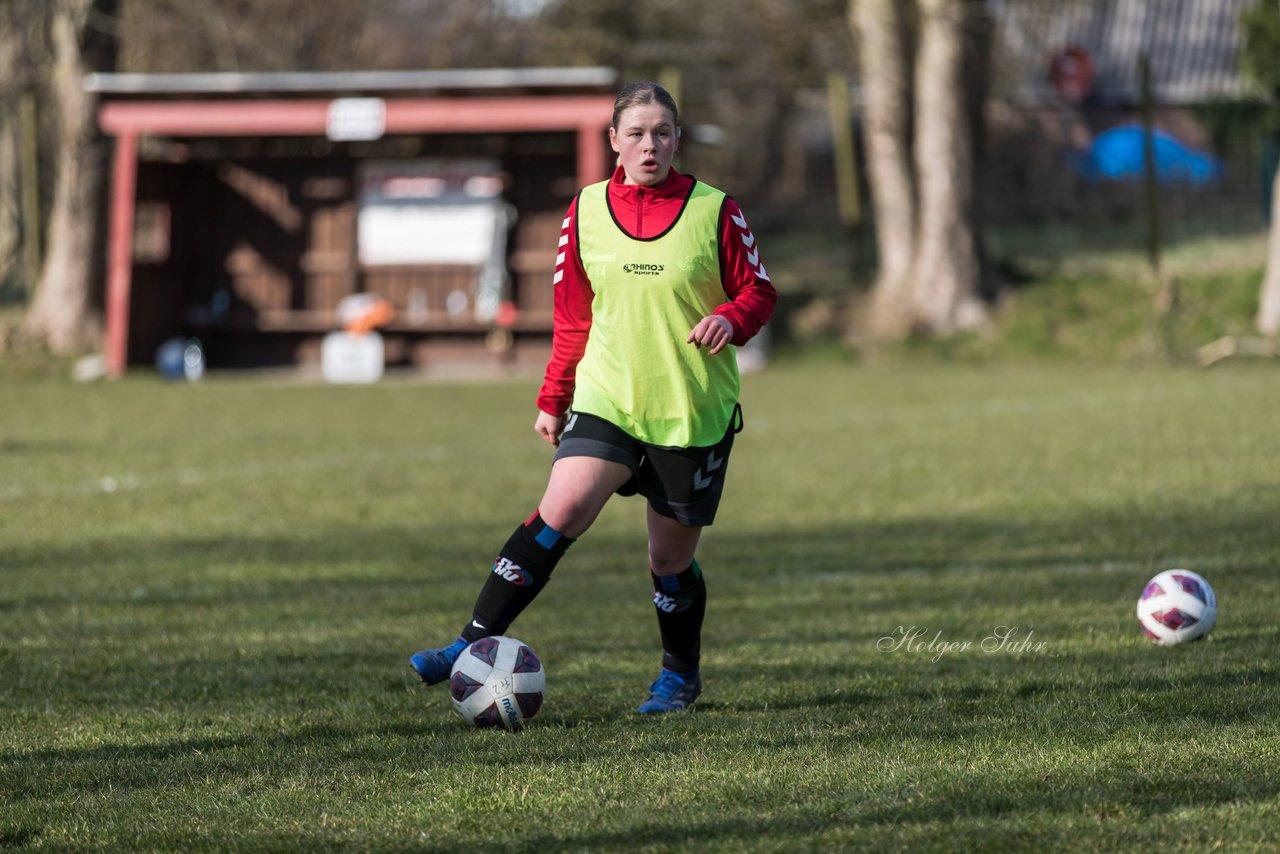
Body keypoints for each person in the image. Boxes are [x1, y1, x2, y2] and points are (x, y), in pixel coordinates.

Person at [409, 81, 777, 713]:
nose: (649, 145)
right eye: (635, 133)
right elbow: (573, 318)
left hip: (688, 410)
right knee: (563, 508)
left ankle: (679, 676)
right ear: (614, 140)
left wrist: (730, 319)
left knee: (668, 558)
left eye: (662, 132)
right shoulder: (585, 211)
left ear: (677, 140)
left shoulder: (716, 210)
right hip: (608, 398)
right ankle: (469, 642)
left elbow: (759, 292)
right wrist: (554, 397)